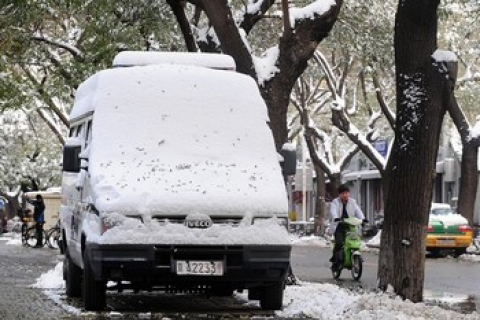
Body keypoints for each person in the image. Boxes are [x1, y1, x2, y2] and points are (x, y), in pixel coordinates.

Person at [329, 184, 366, 265]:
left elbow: (358, 211)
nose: (345, 195)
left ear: (349, 193)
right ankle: (335, 259)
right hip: (339, 226)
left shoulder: (352, 202)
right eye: (343, 193)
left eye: (346, 193)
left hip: (350, 225)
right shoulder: (335, 202)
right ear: (339, 194)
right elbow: (333, 211)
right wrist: (336, 217)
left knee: (354, 241)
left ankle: (351, 255)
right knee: (340, 243)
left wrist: (363, 219)